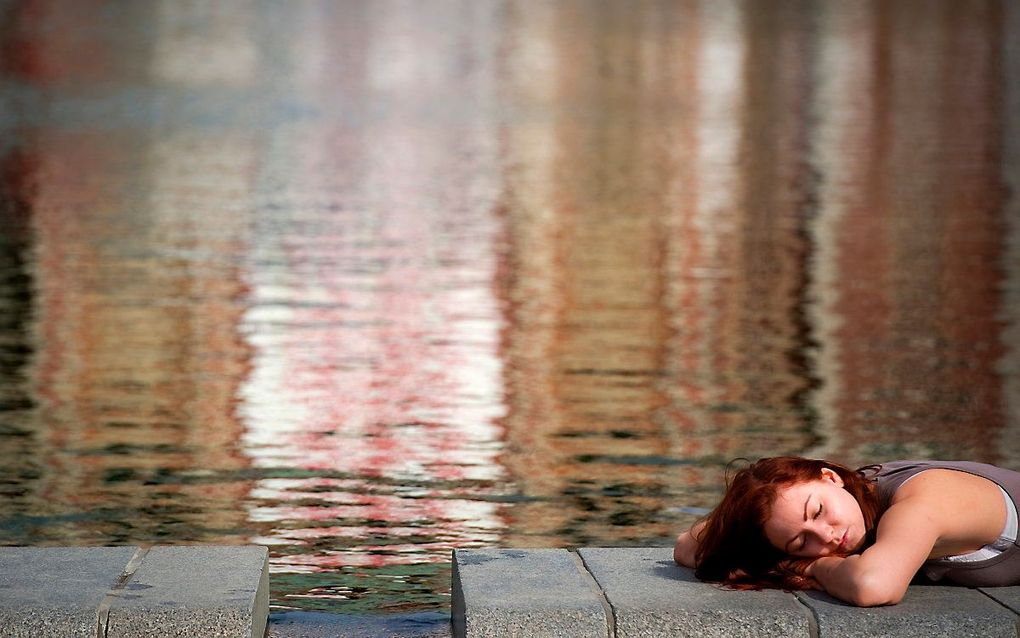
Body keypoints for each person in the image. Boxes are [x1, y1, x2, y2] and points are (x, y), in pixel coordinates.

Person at [673, 457, 1020, 606]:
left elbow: (873, 586)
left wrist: (809, 566)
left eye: (818, 511)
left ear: (830, 476)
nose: (825, 536)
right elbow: (689, 546)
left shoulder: (923, 500)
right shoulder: (853, 499)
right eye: (800, 541)